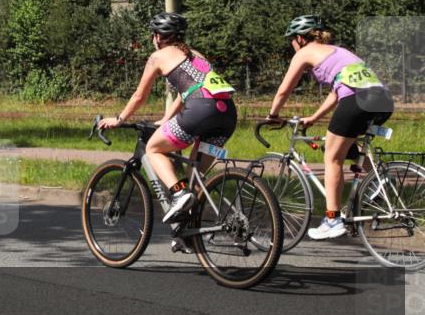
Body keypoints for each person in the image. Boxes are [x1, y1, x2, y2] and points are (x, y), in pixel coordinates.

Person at [99, 13, 237, 252]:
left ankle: (178, 193)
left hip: (200, 110)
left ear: (157, 37)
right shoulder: (196, 55)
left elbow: (140, 96)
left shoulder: (158, 56)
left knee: (153, 148)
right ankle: (188, 234)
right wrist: (166, 119)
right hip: (227, 115)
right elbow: (190, 90)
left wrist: (119, 119)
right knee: (196, 178)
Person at [267, 15, 394, 240]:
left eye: (291, 40)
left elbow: (284, 90)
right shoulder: (339, 51)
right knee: (341, 145)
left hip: (357, 100)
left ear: (299, 38)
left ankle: (332, 219)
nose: (292, 44)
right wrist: (314, 117)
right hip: (383, 100)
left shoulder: (304, 53)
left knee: (332, 158)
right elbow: (337, 91)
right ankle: (378, 179)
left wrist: (273, 115)